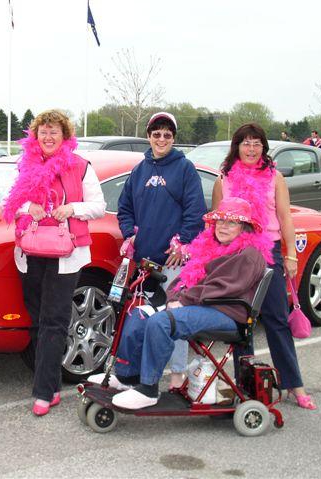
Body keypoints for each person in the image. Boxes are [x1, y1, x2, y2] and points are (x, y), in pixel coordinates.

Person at [106, 197, 272, 409]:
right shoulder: (211, 247)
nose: (223, 226)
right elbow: (184, 279)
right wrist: (175, 298)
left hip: (227, 312)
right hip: (203, 305)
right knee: (139, 315)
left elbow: (224, 288)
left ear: (245, 227)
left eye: (231, 222)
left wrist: (183, 301)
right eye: (220, 221)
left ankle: (148, 389)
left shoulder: (249, 255)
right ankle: (128, 378)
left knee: (162, 323)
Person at [3, 110, 106, 416]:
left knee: (54, 321)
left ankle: (44, 391)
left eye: (54, 132)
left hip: (67, 255)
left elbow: (99, 207)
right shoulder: (25, 165)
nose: (48, 138)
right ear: (36, 137)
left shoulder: (80, 166)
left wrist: (72, 208)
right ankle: (51, 384)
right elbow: (8, 203)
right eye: (43, 132)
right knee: (37, 318)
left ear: (65, 137)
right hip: (29, 252)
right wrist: (27, 207)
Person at [212, 123, 317, 410]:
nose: (251, 148)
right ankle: (245, 384)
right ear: (237, 147)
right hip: (236, 253)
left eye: (257, 143)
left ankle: (294, 383)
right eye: (246, 143)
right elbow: (215, 222)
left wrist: (291, 256)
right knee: (241, 319)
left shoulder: (275, 178)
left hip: (269, 251)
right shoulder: (225, 179)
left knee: (277, 319)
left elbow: (285, 218)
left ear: (264, 148)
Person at [116, 112, 207, 389]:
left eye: (167, 134)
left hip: (175, 261)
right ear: (149, 137)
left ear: (174, 139)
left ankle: (178, 373)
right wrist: (130, 233)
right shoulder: (139, 170)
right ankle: (138, 373)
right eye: (156, 134)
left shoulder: (185, 168)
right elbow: (125, 208)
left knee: (174, 316)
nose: (162, 139)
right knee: (143, 317)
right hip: (146, 261)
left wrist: (183, 241)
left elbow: (196, 211)